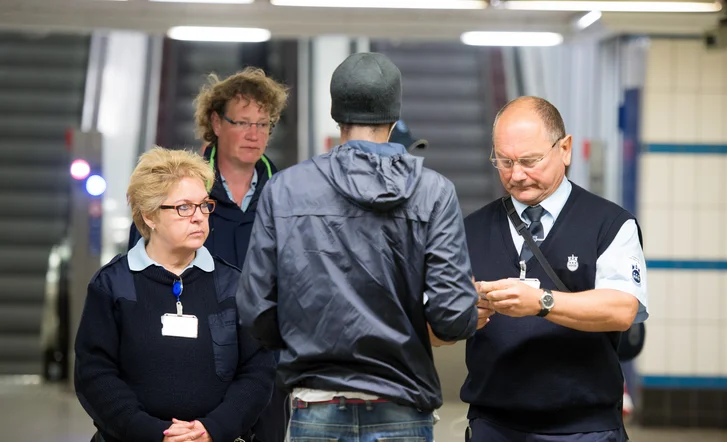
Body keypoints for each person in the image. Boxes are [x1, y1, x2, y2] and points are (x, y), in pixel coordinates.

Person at [235, 52, 480, 442]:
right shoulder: (434, 193)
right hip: (402, 407)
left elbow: (254, 309)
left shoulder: (285, 190)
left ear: (336, 114)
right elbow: (452, 318)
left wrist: (306, 335)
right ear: (395, 117)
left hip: (315, 406)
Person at [463, 96, 649, 442]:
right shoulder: (471, 229)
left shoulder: (609, 224)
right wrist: (459, 312)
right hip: (494, 425)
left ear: (565, 149)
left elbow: (624, 308)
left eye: (530, 161)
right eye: (504, 162)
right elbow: (433, 326)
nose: (517, 174)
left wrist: (542, 303)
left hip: (586, 429)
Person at [127, 68, 291, 442]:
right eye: (243, 122)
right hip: (190, 365)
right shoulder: (177, 194)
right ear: (216, 122)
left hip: (264, 369)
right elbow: (139, 274)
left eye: (264, 124)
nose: (254, 134)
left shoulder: (286, 195)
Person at [75, 147, 276, 442]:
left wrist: (214, 428)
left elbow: (257, 371)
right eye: (184, 207)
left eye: (204, 205)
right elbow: (95, 375)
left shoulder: (232, 284)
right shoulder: (113, 284)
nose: (198, 218)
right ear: (150, 215)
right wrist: (154, 433)